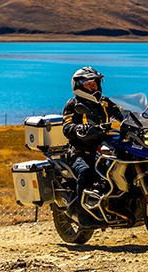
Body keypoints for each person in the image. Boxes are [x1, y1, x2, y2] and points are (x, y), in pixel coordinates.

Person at [62, 66, 123, 228]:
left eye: (94, 83)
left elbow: (122, 115)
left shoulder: (105, 102)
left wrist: (141, 120)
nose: (93, 87)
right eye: (88, 84)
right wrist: (81, 129)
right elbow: (67, 127)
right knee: (86, 172)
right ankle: (84, 217)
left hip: (104, 147)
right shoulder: (73, 104)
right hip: (80, 151)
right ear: (79, 85)